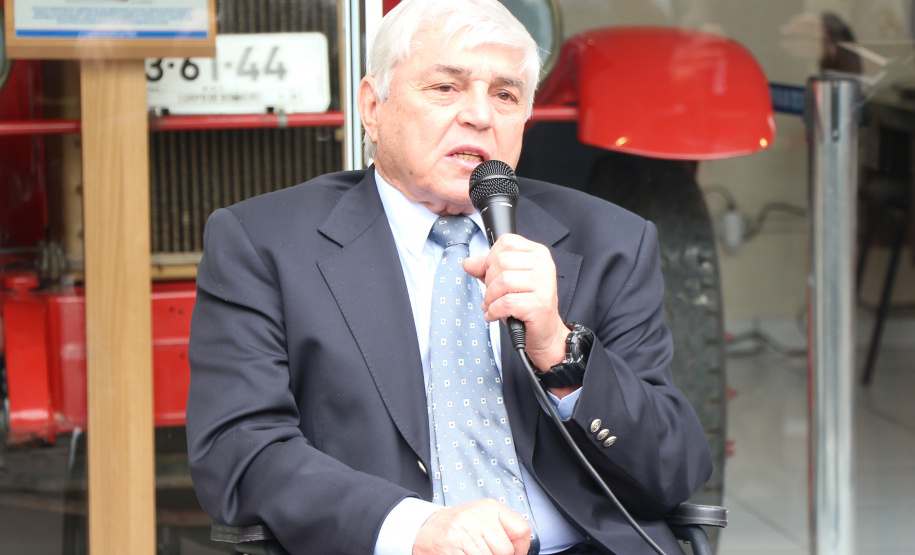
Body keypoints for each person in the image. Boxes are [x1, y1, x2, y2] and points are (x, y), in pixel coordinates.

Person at [186, 0, 712, 553]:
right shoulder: (264, 243)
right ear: (373, 106)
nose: (480, 116)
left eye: (505, 95)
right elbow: (239, 452)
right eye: (446, 88)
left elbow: (674, 468)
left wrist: (562, 352)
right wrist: (414, 527)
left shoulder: (611, 242)